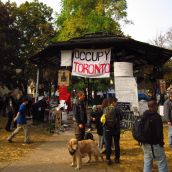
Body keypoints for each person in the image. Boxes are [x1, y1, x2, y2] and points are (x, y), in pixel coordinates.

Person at [142, 100, 168, 172]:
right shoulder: (157, 117)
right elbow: (159, 133)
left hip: (145, 144)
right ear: (155, 106)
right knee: (162, 163)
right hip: (155, 144)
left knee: (147, 162)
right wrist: (161, 143)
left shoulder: (144, 115)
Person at [103, 97, 123, 165]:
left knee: (108, 144)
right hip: (116, 129)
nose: (116, 103)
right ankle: (117, 158)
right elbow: (121, 117)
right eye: (116, 102)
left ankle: (108, 159)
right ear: (113, 102)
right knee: (117, 144)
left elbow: (102, 119)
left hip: (107, 129)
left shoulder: (105, 109)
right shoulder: (117, 109)